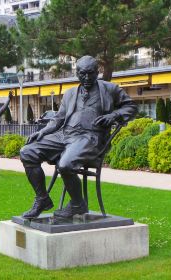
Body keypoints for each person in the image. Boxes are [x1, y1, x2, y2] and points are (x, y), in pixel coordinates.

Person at [20, 56, 137, 219]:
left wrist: (114, 115)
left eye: (91, 74)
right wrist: (43, 132)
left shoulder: (110, 89)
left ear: (98, 72)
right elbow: (58, 119)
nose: (87, 78)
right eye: (83, 74)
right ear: (77, 73)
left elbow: (131, 106)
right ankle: (42, 199)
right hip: (64, 135)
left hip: (90, 138)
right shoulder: (70, 93)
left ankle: (77, 203)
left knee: (66, 164)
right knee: (27, 152)